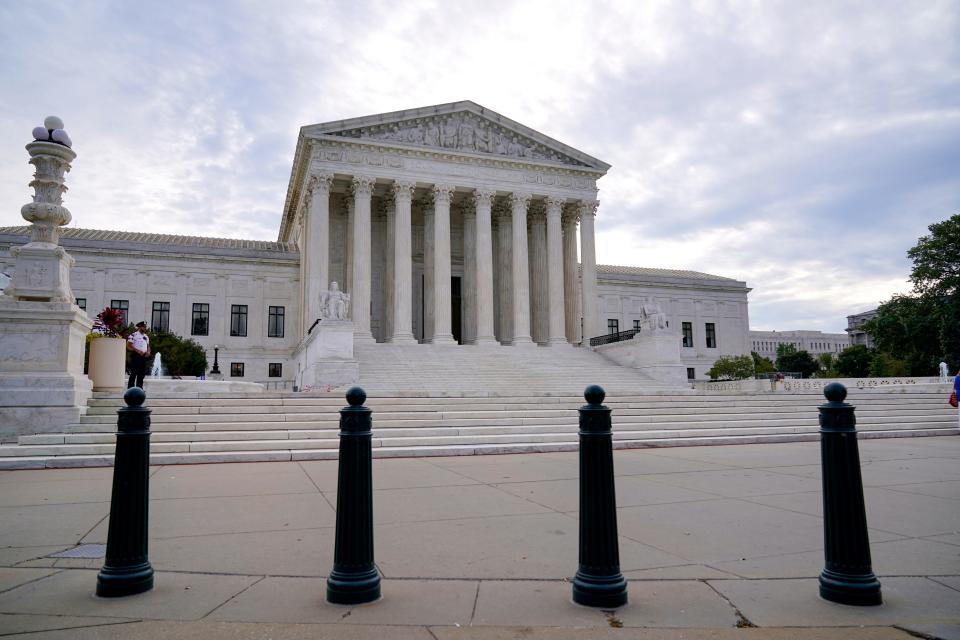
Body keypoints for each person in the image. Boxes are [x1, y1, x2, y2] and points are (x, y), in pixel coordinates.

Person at [126, 321, 150, 389]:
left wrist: (148, 351)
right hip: (136, 356)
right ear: (140, 327)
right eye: (144, 327)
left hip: (144, 356)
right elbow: (128, 346)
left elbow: (148, 346)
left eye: (145, 327)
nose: (145, 328)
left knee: (142, 374)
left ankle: (139, 388)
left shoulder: (146, 336)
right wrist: (138, 351)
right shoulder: (134, 335)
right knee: (134, 373)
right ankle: (130, 388)